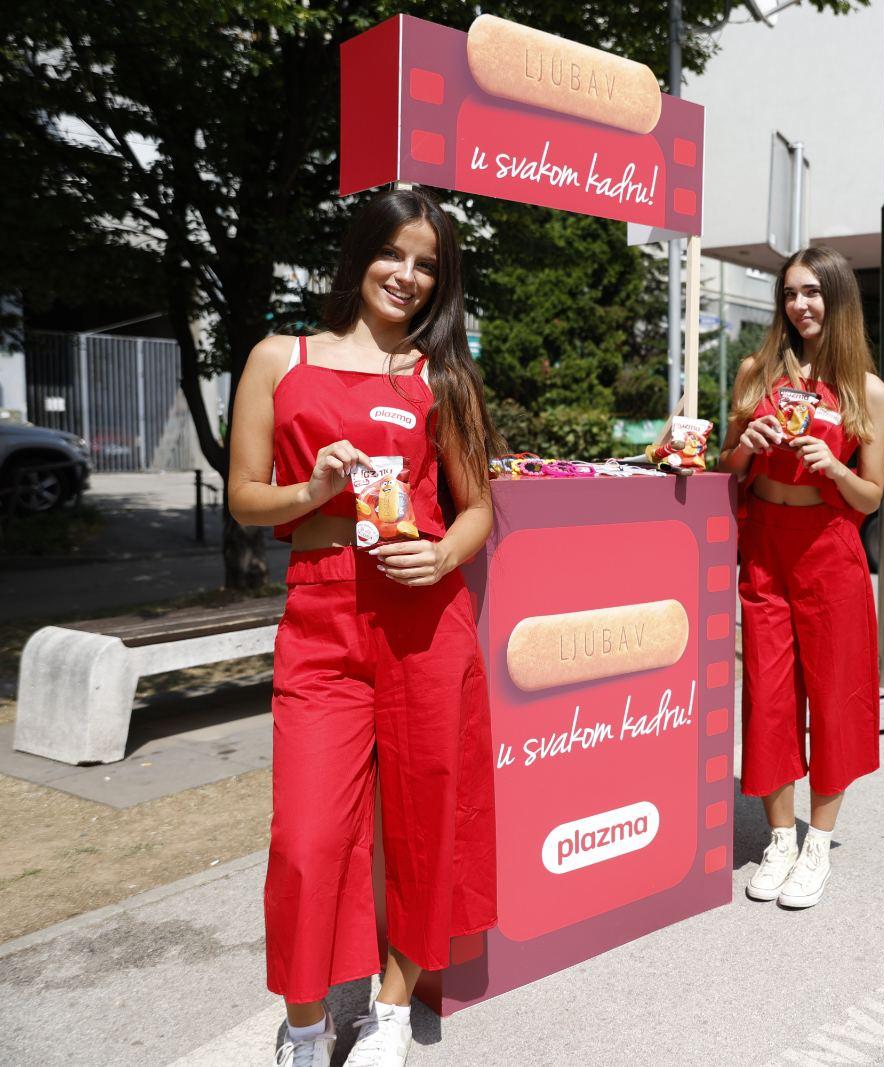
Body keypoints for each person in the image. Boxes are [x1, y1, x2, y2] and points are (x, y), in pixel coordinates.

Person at [229, 188, 503, 1067]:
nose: (408, 276)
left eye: (428, 264)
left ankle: (390, 1006)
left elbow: (478, 507)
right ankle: (306, 1024)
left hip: (423, 618)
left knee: (427, 820)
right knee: (307, 837)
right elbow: (244, 499)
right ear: (360, 253)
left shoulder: (441, 376)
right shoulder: (279, 358)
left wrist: (444, 554)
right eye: (394, 253)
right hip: (321, 616)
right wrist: (311, 490)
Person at [718, 245, 884, 909]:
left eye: (813, 292)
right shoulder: (757, 372)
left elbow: (871, 496)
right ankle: (780, 838)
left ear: (837, 298)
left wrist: (834, 466)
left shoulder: (865, 390)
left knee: (835, 696)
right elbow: (725, 467)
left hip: (829, 545)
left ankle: (818, 842)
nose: (800, 304)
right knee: (767, 692)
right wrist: (745, 447)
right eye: (790, 293)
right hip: (766, 543)